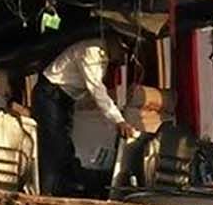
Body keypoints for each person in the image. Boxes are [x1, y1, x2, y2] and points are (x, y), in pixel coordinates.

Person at [32, 35, 139, 195]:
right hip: (51, 94)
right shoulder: (91, 52)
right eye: (123, 51)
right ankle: (46, 192)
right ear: (113, 42)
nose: (123, 58)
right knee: (54, 145)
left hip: (65, 99)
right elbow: (96, 90)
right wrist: (119, 121)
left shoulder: (103, 57)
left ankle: (60, 190)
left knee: (65, 145)